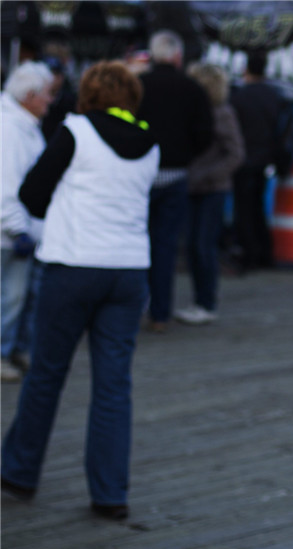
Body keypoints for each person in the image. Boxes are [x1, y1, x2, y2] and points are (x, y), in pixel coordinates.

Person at [1, 61, 160, 520]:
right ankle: (110, 493)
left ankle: (19, 471)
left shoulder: (75, 131)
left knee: (47, 373)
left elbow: (31, 194)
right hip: (129, 270)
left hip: (72, 265)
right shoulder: (150, 142)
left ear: (88, 94)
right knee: (113, 386)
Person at [137, 30, 214, 333]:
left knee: (135, 243)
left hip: (139, 175)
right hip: (175, 174)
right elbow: (205, 134)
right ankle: (160, 313)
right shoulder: (192, 88)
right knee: (165, 246)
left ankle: (133, 306)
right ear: (178, 57)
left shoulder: (139, 85)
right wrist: (185, 155)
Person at [174, 63, 245, 326]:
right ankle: (200, 300)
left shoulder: (222, 114)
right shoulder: (193, 112)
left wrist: (210, 175)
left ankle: (207, 302)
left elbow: (236, 153)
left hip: (212, 189)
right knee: (193, 245)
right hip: (194, 186)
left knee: (203, 245)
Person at [1, 61, 53, 383]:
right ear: (30, 95)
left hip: (23, 229)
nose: (50, 100)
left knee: (21, 296)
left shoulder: (23, 125)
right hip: (11, 232)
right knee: (11, 296)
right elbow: (6, 185)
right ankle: (3, 352)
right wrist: (18, 227)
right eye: (47, 94)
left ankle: (17, 347)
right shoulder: (10, 129)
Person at [229, 50, 293, 272]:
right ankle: (264, 253)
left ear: (246, 69)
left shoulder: (238, 97)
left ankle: (248, 254)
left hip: (242, 161)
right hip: (264, 160)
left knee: (243, 209)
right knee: (258, 207)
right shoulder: (274, 96)